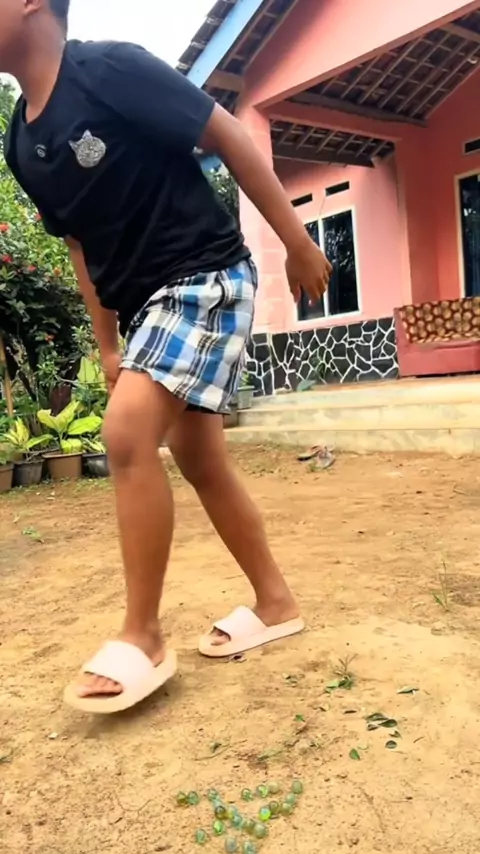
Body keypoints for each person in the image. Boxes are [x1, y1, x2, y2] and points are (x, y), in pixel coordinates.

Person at [2, 0, 332, 713]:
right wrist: (107, 344)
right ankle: (275, 602)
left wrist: (297, 242)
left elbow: (230, 134)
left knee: (126, 433)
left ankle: (143, 636)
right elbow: (79, 245)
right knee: (200, 459)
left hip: (205, 274)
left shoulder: (110, 69)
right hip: (145, 306)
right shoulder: (21, 142)